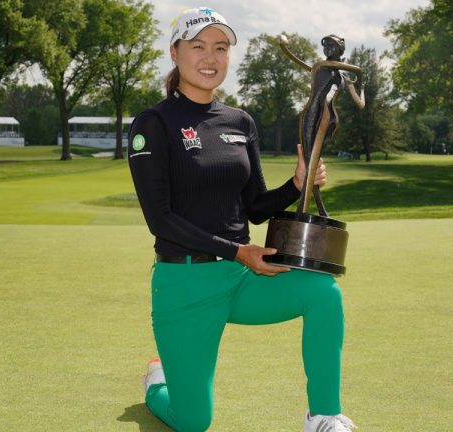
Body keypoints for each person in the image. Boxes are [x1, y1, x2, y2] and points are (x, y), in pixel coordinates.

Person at [127, 7, 356, 432]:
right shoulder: (153, 123)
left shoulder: (239, 122)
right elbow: (160, 219)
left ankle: (323, 416)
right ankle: (158, 382)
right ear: (175, 53)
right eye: (198, 47)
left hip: (242, 279)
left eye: (221, 47)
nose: (210, 57)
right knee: (193, 421)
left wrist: (296, 183)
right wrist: (239, 250)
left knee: (322, 292)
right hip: (184, 287)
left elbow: (253, 207)